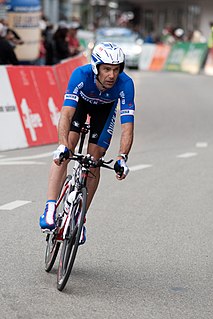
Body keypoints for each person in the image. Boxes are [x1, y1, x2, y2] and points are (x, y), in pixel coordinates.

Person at [39, 42, 135, 244]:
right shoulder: (81, 75)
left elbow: (127, 126)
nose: (112, 75)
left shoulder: (125, 84)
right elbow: (66, 114)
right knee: (69, 146)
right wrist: (62, 145)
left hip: (104, 111)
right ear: (96, 67)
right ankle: (49, 207)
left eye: (116, 70)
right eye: (107, 69)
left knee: (95, 159)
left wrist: (122, 157)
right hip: (80, 107)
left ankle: (79, 219)